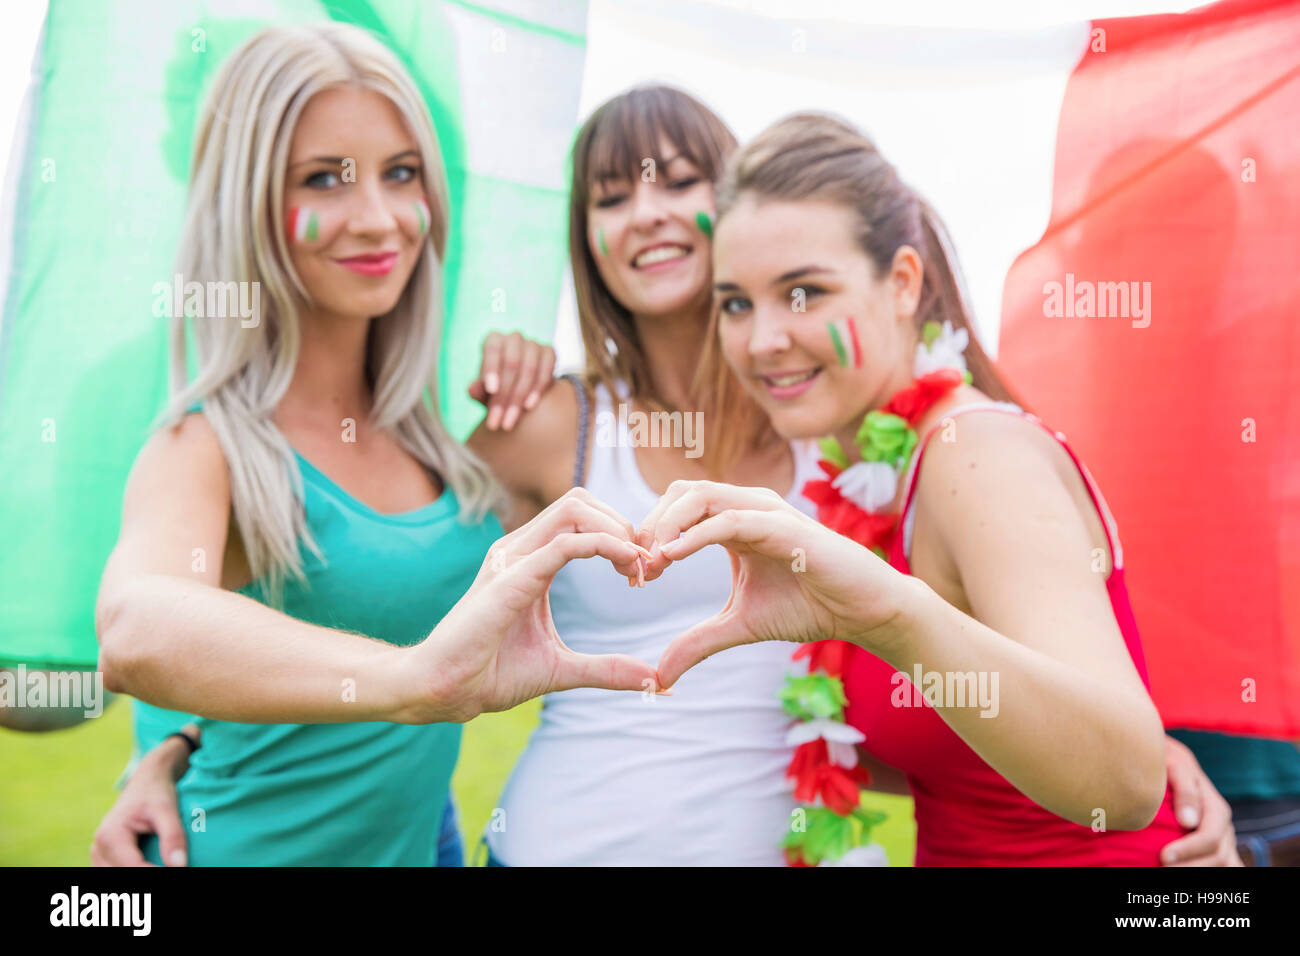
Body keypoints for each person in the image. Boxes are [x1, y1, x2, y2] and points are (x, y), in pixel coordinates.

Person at [95, 87, 1237, 868]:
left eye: (678, 179)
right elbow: (360, 565)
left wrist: (1132, 747)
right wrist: (178, 737)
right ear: (583, 239)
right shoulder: (547, 422)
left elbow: (1009, 636)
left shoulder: (854, 443)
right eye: (607, 193)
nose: (643, 210)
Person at [91, 23, 656, 866]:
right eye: (325, 178)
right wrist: (416, 682)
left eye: (401, 174)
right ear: (248, 203)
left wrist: (167, 746)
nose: (380, 217)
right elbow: (138, 627)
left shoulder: (441, 436)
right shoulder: (204, 444)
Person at [642, 111, 1238, 864]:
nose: (763, 339)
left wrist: (887, 615)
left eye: (804, 293)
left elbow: (1123, 779)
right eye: (735, 303)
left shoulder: (976, 457)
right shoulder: (873, 482)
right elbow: (953, 741)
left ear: (901, 283)